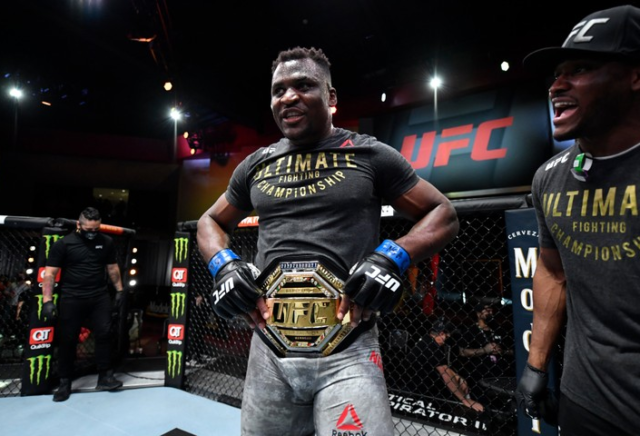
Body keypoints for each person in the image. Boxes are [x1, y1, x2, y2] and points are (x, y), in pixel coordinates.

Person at [197, 46, 459, 436]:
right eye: (278, 90)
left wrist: (392, 257)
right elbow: (210, 221)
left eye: (303, 85)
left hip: (348, 348)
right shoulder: (256, 164)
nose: (288, 97)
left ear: (330, 96)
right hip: (268, 347)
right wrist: (224, 266)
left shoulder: (369, 154)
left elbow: (443, 213)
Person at [514, 5, 640, 435]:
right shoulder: (550, 178)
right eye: (556, 74)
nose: (556, 86)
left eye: (581, 69)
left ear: (635, 76)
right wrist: (536, 365)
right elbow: (553, 271)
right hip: (586, 400)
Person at [42, 207, 126, 402]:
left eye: (96, 229)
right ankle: (65, 382)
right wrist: (47, 300)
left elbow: (112, 268)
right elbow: (50, 274)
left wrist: (120, 290)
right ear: (79, 225)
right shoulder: (64, 244)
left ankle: (105, 377)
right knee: (68, 339)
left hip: (99, 296)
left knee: (105, 333)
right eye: (88, 229)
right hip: (71, 297)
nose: (92, 233)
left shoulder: (106, 242)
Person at [408, 320, 484, 412]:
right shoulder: (431, 346)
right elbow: (445, 373)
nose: (447, 340)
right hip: (417, 389)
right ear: (442, 334)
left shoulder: (427, 340)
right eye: (447, 337)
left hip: (420, 383)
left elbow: (444, 368)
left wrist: (457, 377)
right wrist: (465, 401)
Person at [458, 303, 514, 382]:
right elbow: (462, 352)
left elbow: (513, 351)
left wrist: (502, 351)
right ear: (478, 314)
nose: (491, 312)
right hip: (479, 377)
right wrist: (484, 350)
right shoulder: (470, 330)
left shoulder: (500, 329)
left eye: (492, 310)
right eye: (487, 310)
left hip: (501, 376)